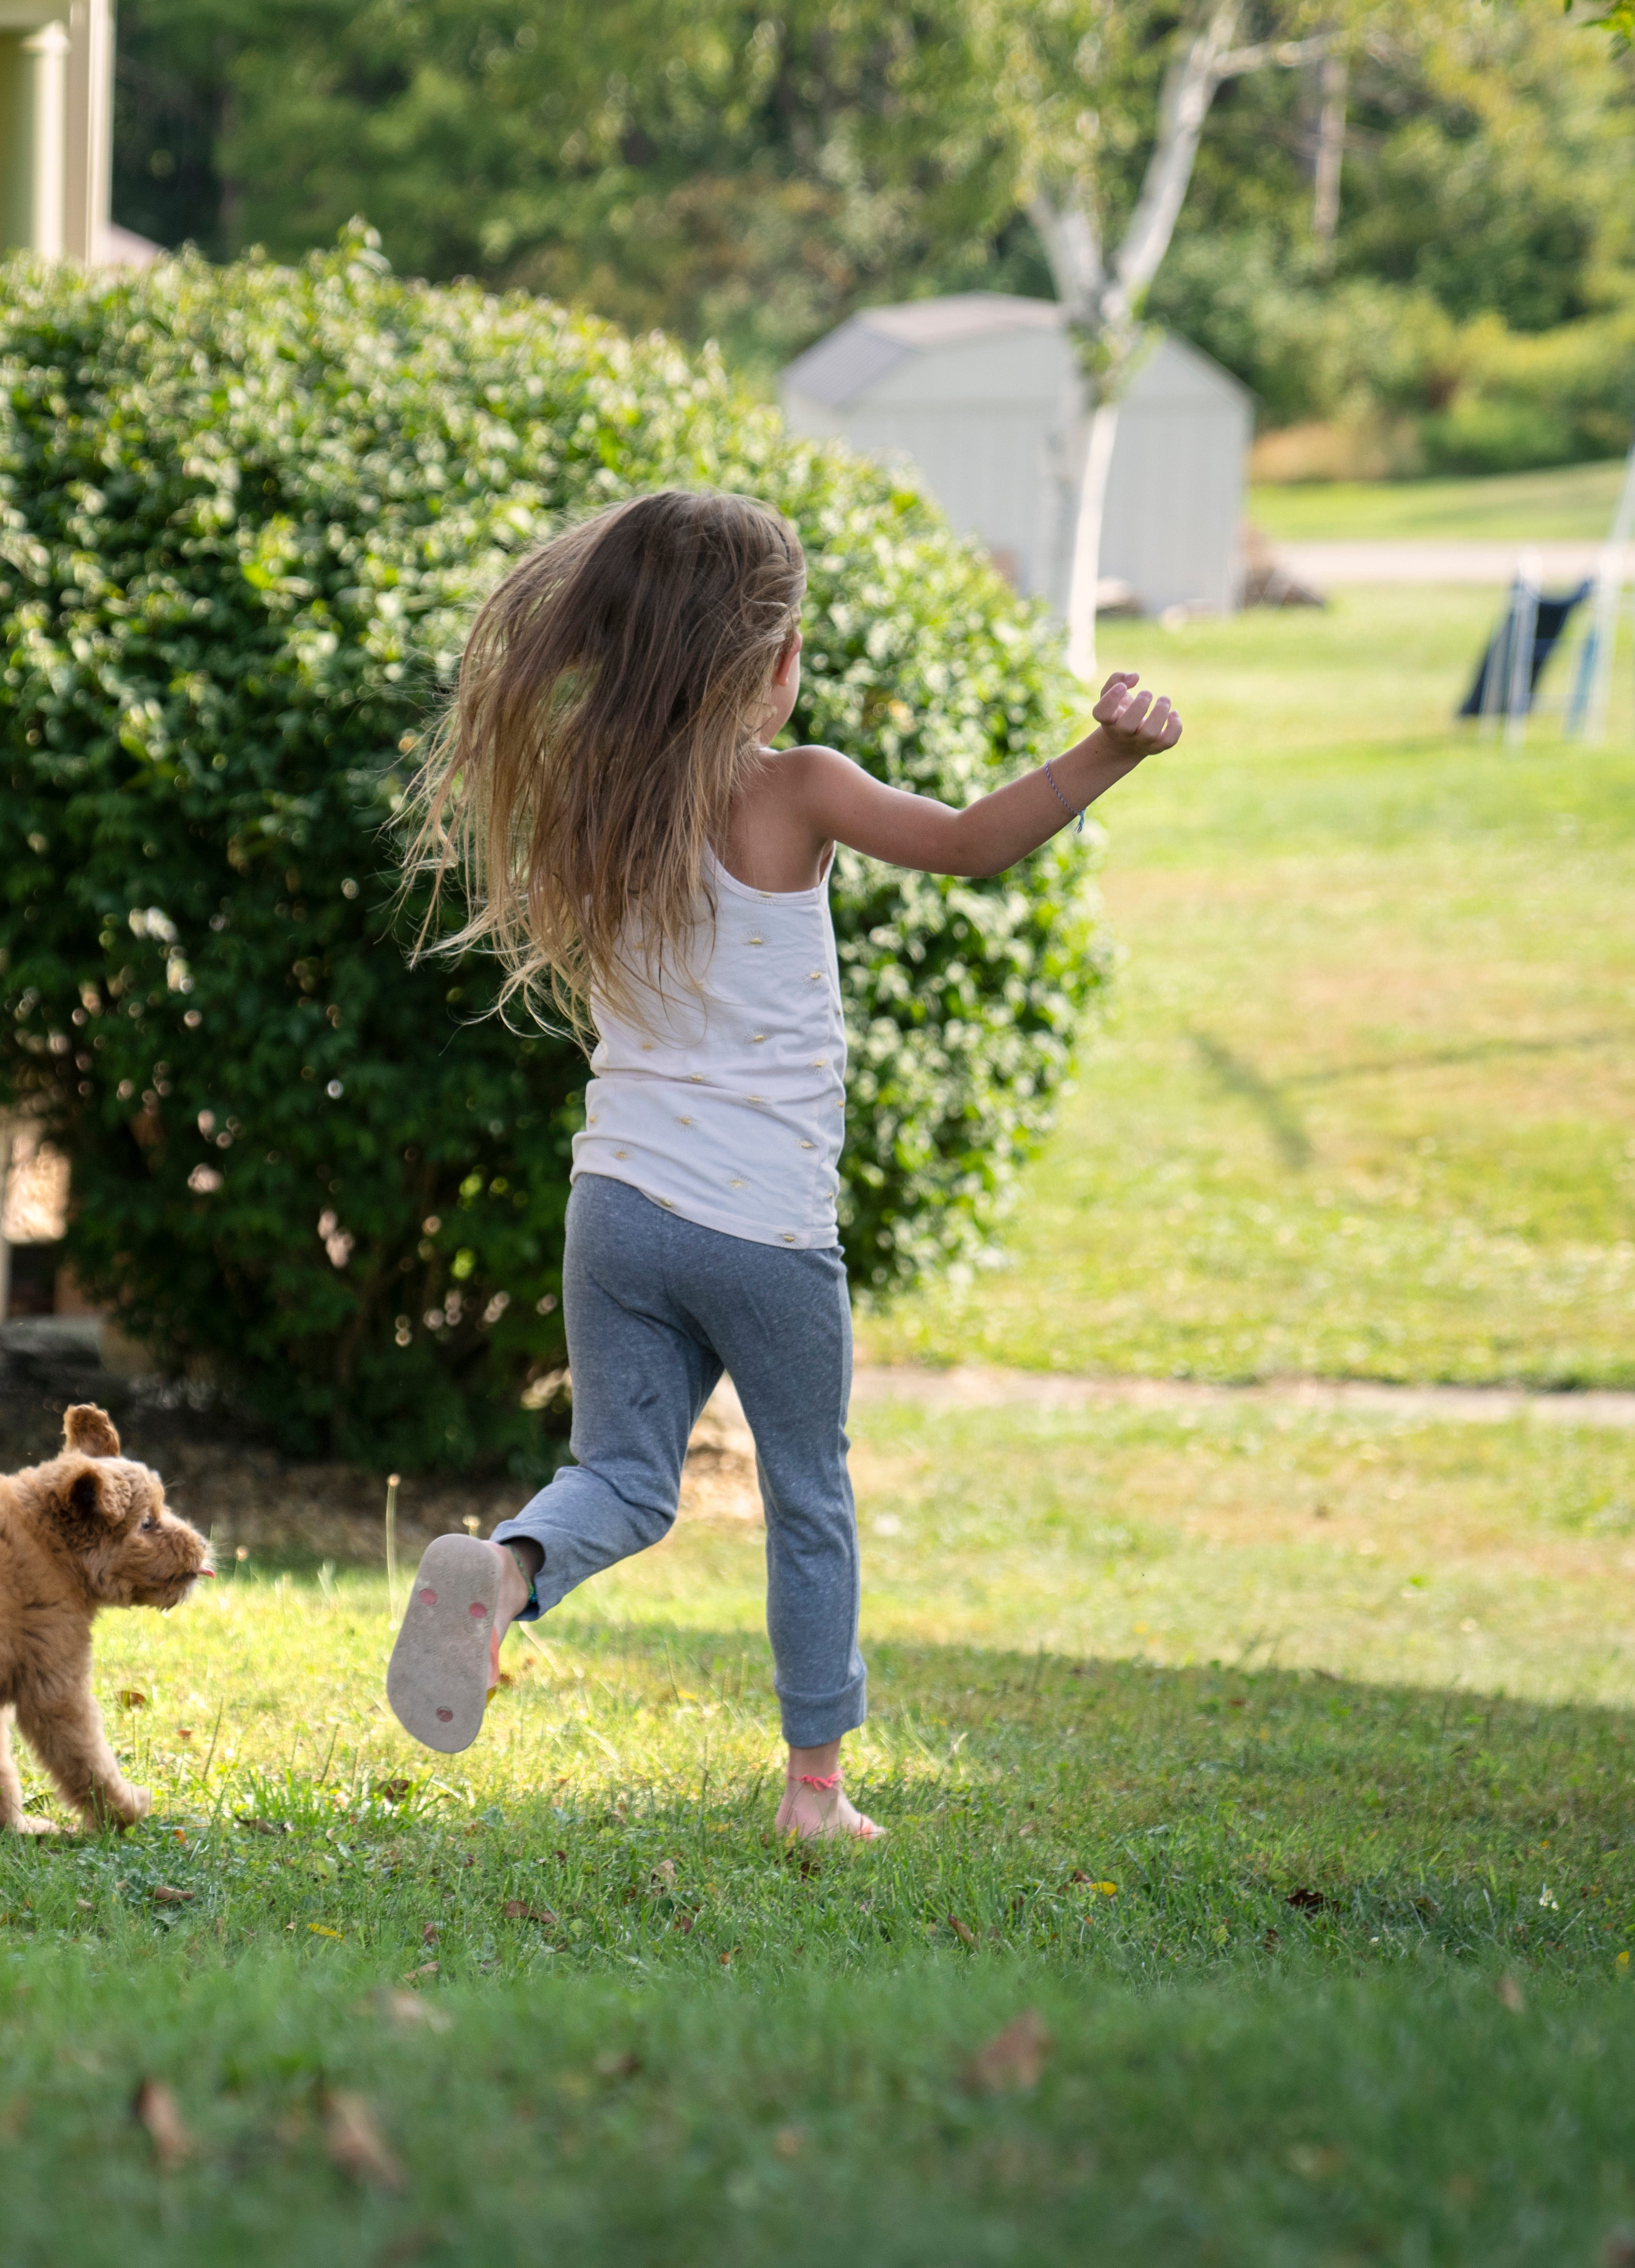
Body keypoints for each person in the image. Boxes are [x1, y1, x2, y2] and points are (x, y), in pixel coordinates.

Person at [383, 489, 1184, 1840]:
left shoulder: (589, 791)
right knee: (806, 1494)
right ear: (771, 665)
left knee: (624, 1478)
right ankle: (816, 1794)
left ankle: (506, 1570)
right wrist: (1107, 750)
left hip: (617, 1207)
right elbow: (970, 845)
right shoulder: (795, 787)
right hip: (761, 1231)